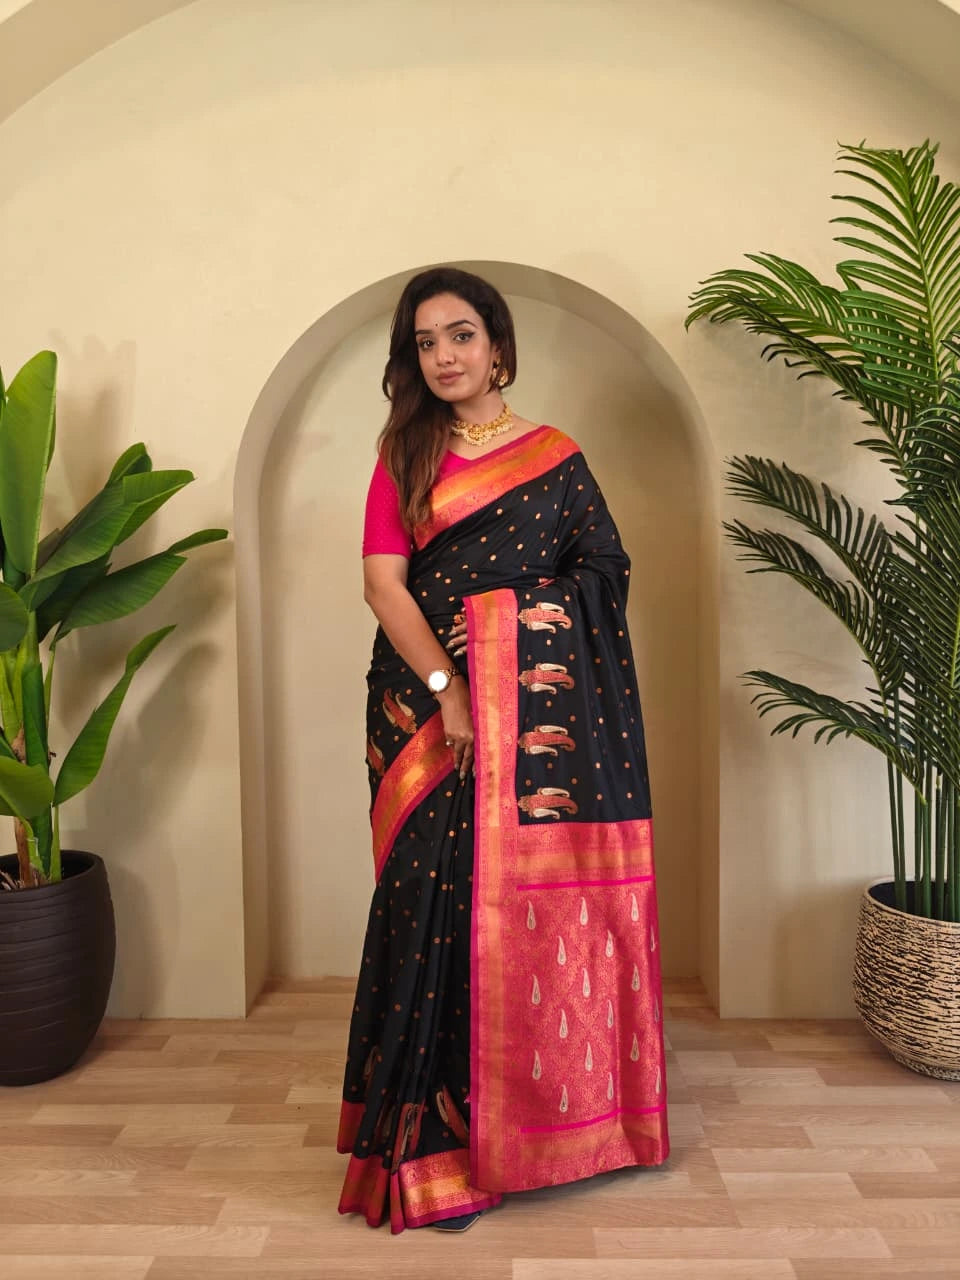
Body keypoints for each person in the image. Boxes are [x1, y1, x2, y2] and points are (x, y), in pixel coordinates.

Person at [337, 266, 668, 1233]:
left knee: (506, 908)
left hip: (536, 715)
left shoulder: (557, 458)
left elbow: (603, 571)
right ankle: (431, 1151)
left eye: (462, 336)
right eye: (426, 342)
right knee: (429, 904)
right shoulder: (402, 456)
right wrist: (452, 694)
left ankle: (533, 1123)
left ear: (498, 346)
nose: (444, 356)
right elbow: (384, 589)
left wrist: (513, 655)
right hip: (420, 709)